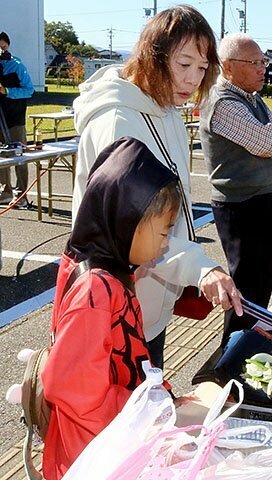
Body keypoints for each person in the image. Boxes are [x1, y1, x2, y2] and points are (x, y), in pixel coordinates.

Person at [72, 6, 241, 369]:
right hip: (114, 308)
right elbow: (131, 230)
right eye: (184, 64)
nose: (194, 79)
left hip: (147, 303)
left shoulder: (166, 112)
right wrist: (199, 268)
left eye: (202, 68)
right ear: (153, 55)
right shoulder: (118, 121)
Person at [42, 137, 183, 480]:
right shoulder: (97, 290)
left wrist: (159, 398)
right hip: (94, 454)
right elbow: (73, 389)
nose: (165, 244)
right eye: (163, 232)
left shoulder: (109, 270)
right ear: (127, 221)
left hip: (112, 440)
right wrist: (145, 411)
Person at [200, 33, 272, 342]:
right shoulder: (224, 102)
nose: (262, 69)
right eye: (253, 62)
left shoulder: (251, 98)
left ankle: (249, 347)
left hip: (261, 202)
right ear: (227, 66)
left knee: (260, 285)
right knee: (245, 290)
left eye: (263, 61)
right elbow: (268, 142)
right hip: (242, 206)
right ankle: (232, 360)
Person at [0, 31, 34, 207]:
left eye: (2, 47)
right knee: (1, 157)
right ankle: (5, 192)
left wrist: (7, 91)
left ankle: (21, 195)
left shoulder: (17, 65)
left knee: (19, 156)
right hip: (0, 118)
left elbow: (29, 90)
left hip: (15, 118)